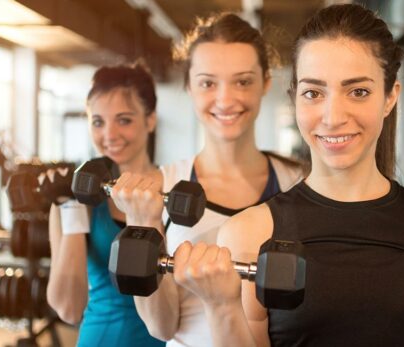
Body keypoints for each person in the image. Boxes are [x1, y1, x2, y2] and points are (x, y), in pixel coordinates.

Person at [169, 4, 404, 346]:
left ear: (390, 97)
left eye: (358, 91)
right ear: (295, 100)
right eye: (314, 93)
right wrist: (220, 306)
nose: (332, 116)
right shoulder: (246, 233)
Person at [108, 13, 304, 347]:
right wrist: (144, 221)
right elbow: (161, 326)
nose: (225, 100)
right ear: (189, 86)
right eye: (208, 83)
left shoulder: (300, 183)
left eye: (242, 81)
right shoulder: (157, 188)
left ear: (266, 82)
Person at [44, 63, 165, 347]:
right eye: (98, 122)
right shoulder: (70, 201)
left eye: (123, 120)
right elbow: (69, 309)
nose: (109, 135)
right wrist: (74, 207)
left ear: (150, 120)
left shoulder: (174, 190)